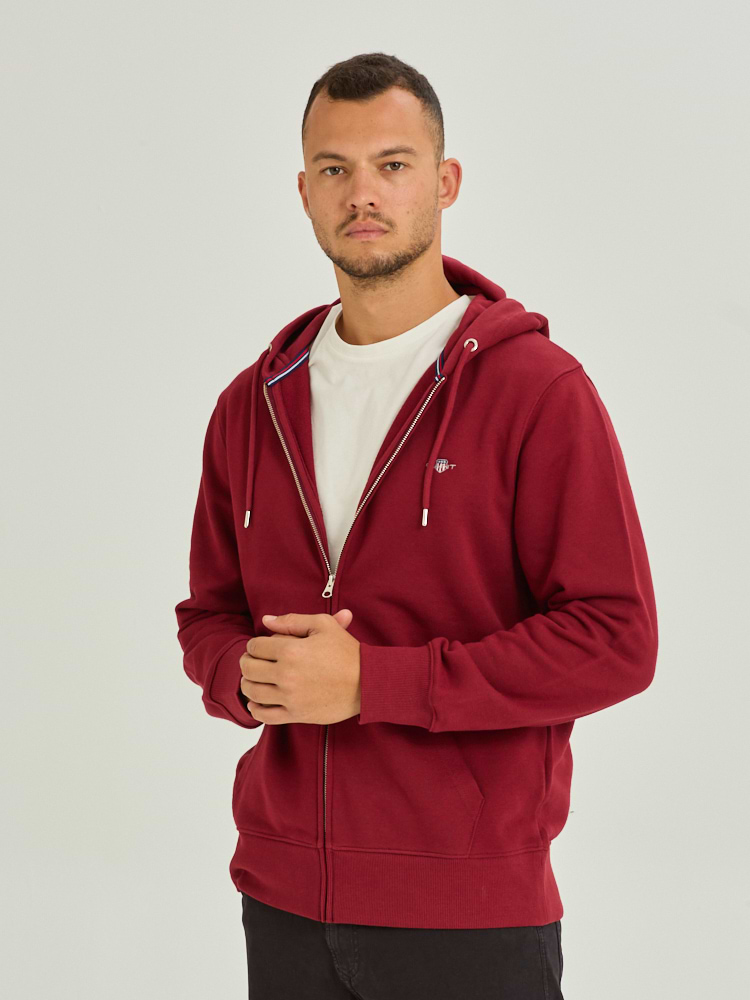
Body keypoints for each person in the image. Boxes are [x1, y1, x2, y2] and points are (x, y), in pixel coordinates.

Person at [174, 51, 658, 1000]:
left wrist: (372, 682)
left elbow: (616, 638)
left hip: (468, 913)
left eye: (393, 165)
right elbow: (208, 616)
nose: (363, 193)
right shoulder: (251, 404)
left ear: (445, 183)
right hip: (281, 899)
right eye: (335, 168)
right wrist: (245, 677)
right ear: (305, 193)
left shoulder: (537, 391)